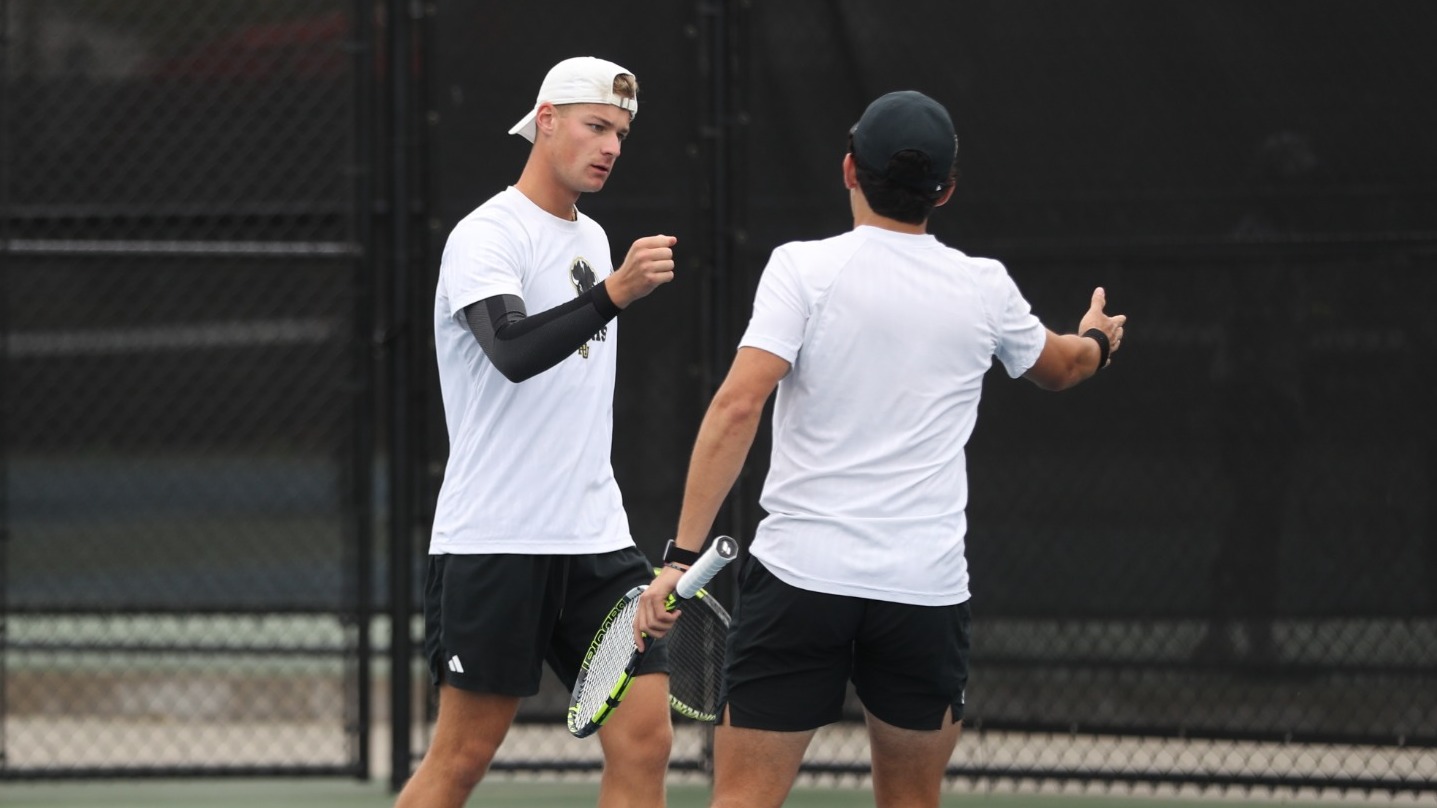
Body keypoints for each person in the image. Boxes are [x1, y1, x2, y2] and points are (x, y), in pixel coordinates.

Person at [635, 90, 1127, 808]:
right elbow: (1064, 367)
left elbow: (738, 405)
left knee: (740, 799)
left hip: (800, 583)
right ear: (946, 190)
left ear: (847, 170)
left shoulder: (801, 268)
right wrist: (1097, 341)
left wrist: (682, 557)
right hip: (920, 596)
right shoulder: (983, 287)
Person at [396, 56, 679, 808]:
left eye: (620, 132)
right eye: (596, 126)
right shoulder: (485, 235)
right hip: (496, 540)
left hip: (596, 541)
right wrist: (616, 291)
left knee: (646, 737)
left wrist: (608, 285)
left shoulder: (592, 234)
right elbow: (513, 350)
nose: (611, 146)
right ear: (545, 119)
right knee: (461, 759)